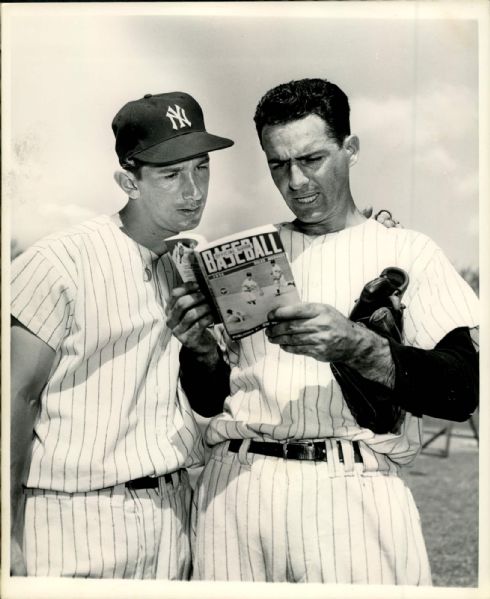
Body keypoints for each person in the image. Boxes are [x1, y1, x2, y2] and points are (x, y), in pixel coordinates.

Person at [167, 78, 479, 584]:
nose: (295, 182)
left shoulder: (409, 251)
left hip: (352, 487)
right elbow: (208, 401)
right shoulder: (246, 256)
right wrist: (199, 350)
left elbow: (461, 389)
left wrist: (359, 346)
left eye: (311, 159)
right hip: (237, 488)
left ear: (349, 149)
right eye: (277, 164)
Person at [10, 91, 233, 578]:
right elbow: (15, 398)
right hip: (74, 516)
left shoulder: (192, 265)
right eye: (171, 175)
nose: (193, 190)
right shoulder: (60, 261)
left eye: (201, 168)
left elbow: (211, 398)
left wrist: (201, 349)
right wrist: (6, 532)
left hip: (172, 514)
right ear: (127, 181)